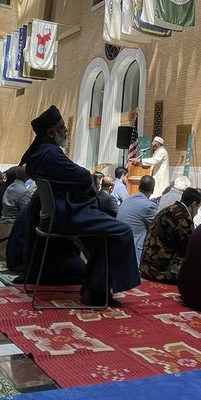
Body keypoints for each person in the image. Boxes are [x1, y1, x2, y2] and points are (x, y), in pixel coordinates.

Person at [21, 105, 139, 306]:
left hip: (57, 214)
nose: (65, 131)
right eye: (61, 127)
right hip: (67, 215)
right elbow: (84, 178)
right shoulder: (50, 153)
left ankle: (94, 289)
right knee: (122, 231)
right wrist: (86, 175)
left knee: (107, 236)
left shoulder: (40, 153)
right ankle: (97, 290)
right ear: (50, 133)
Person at [141, 186, 201, 283]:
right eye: (198, 208)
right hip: (161, 271)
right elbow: (189, 248)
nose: (196, 212)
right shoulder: (183, 217)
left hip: (146, 266)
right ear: (194, 204)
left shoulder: (166, 210)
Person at [119, 174, 159, 263]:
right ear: (152, 190)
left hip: (121, 244)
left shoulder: (127, 200)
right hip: (134, 250)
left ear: (139, 187)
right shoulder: (148, 206)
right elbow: (159, 227)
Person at [0, 165, 32, 242]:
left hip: (3, 223)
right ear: (28, 176)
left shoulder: (10, 187)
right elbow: (26, 213)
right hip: (14, 227)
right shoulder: (24, 192)